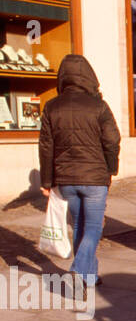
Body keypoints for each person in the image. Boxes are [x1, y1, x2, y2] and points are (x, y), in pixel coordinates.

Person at [38, 55, 121, 290]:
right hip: (95, 178)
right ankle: (77, 270)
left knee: (80, 227)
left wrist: (47, 180)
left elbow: (46, 146)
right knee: (93, 228)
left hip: (66, 180)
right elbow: (112, 140)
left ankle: (89, 276)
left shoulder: (52, 106)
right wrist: (110, 168)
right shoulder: (99, 105)